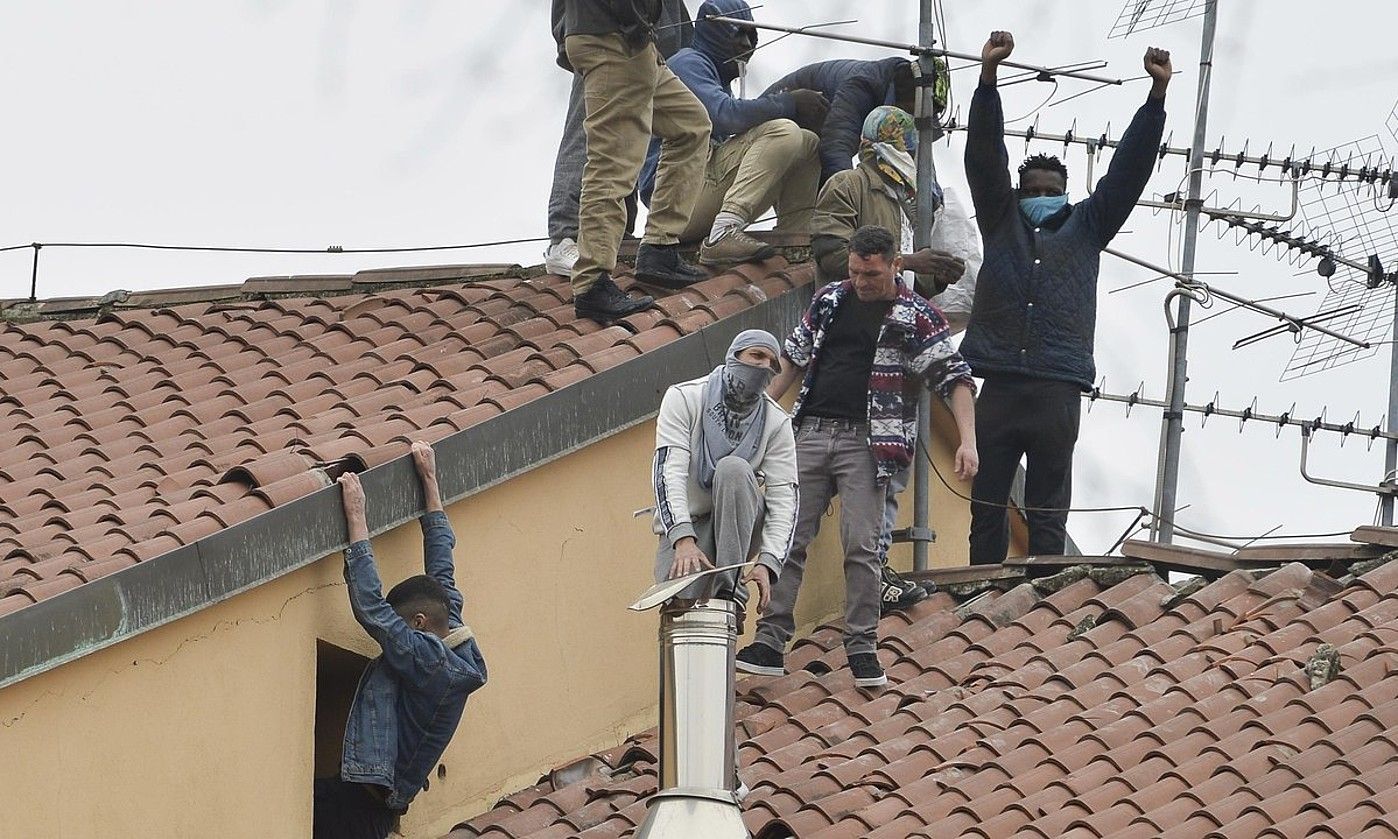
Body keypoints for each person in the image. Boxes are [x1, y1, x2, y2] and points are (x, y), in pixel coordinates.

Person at [736, 225, 978, 688]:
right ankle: (769, 640)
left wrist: (967, 439)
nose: (862, 281)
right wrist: (760, 415)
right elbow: (792, 358)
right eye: (855, 271)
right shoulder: (830, 299)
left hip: (870, 442)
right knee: (786, 535)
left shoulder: (916, 315)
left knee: (863, 546)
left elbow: (955, 378)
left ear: (894, 265)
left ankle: (862, 645)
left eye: (871, 273)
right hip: (810, 431)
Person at [962, 31, 1171, 565]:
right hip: (1001, 382)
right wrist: (987, 80)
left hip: (1057, 385)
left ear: (1066, 193)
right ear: (1017, 192)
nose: (1039, 198)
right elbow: (985, 157)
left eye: (1050, 190)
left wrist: (1156, 98)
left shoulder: (1088, 225)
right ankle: (980, 584)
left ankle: (1040, 590)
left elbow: (1128, 172)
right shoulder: (1000, 218)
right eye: (1030, 190)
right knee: (986, 503)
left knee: (1048, 506)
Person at [809, 104, 972, 613]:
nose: (903, 155)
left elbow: (895, 280)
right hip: (851, 348)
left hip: (896, 345)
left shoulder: (905, 197)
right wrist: (908, 263)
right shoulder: (849, 185)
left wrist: (930, 278)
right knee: (850, 478)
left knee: (892, 462)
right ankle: (870, 576)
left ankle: (880, 567)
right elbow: (831, 253)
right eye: (896, 144)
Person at [315, 442, 487, 839]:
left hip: (365, 807)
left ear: (420, 623)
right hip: (371, 800)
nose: (394, 635)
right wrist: (430, 482)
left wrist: (356, 517)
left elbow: (371, 609)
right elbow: (442, 568)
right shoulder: (452, 636)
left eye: (402, 626)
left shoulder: (427, 657)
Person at [552, 0, 712, 323]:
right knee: (612, 164)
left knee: (691, 125)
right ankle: (591, 283)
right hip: (617, 40)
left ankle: (659, 249)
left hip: (625, 40)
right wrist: (637, 22)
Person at [638, 0, 830, 267]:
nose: (747, 45)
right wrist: (789, 103)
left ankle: (794, 240)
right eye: (738, 33)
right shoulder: (687, 63)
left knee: (807, 143)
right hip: (675, 200)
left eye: (752, 36)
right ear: (713, 32)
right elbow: (725, 116)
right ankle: (723, 232)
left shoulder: (716, 77)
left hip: (698, 190)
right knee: (783, 131)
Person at [651, 330, 797, 618]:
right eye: (756, 356)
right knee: (678, 607)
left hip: (740, 524)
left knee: (734, 468)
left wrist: (768, 562)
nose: (763, 367)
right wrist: (682, 539)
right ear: (734, 356)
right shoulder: (685, 397)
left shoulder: (777, 422)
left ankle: (729, 591)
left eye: (771, 364)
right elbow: (668, 472)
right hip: (690, 522)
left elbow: (785, 498)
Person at [762, 57, 948, 186]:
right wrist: (850, 198)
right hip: (775, 139)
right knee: (835, 205)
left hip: (813, 147)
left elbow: (916, 165)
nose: (914, 123)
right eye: (916, 114)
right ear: (909, 98)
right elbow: (836, 146)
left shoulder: (902, 101)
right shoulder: (862, 85)